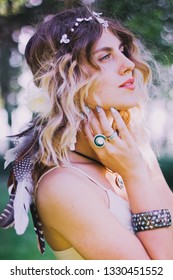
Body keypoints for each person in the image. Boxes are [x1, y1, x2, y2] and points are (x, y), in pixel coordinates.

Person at [0, 5, 173, 260]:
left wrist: (137, 163)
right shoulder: (62, 186)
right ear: (66, 80)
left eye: (123, 51)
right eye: (105, 57)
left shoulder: (131, 153)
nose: (128, 65)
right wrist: (135, 173)